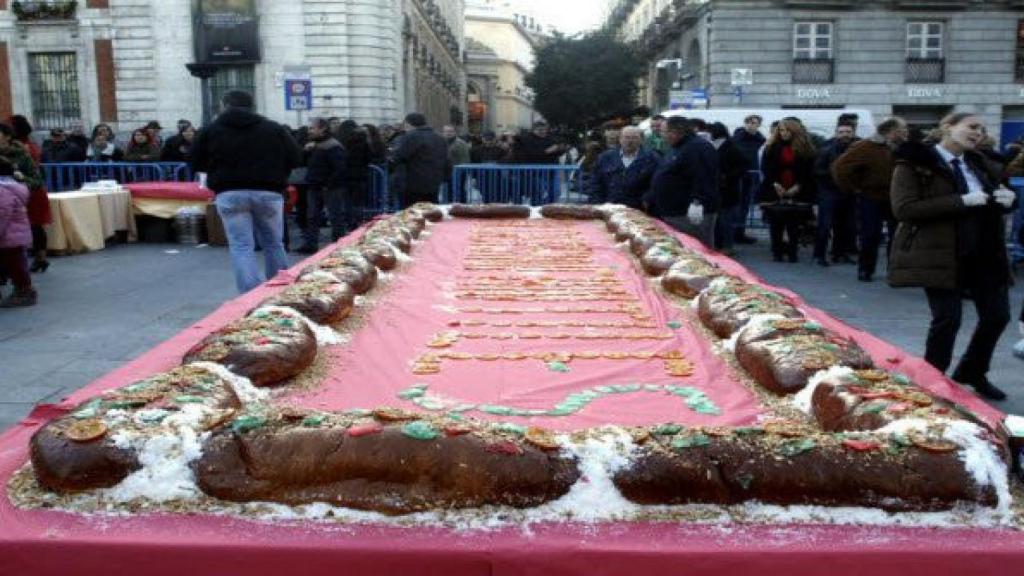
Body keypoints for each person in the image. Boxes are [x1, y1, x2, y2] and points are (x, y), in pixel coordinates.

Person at [889, 112, 1017, 400]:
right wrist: (960, 201)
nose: (978, 133)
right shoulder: (915, 163)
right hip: (942, 253)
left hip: (985, 253)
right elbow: (905, 209)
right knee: (948, 320)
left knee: (997, 316)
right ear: (948, 127)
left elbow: (996, 197)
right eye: (972, 126)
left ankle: (973, 371)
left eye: (982, 129)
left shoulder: (981, 163)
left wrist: (1010, 200)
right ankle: (930, 382)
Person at [191, 90, 301, 293]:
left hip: (229, 191)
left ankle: (250, 293)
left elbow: (195, 161)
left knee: (241, 245)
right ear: (252, 105)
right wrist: (277, 172)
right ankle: (280, 290)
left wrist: (216, 170)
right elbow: (295, 157)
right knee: (274, 242)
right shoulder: (273, 128)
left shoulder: (211, 130)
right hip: (269, 190)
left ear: (224, 105)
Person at [833, 117, 909, 281]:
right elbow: (840, 168)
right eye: (902, 129)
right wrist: (854, 189)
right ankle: (865, 269)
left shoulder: (904, 148)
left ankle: (894, 271)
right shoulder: (865, 147)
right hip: (871, 197)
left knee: (897, 235)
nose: (905, 132)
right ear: (891, 131)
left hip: (897, 197)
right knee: (870, 234)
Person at [645, 116, 720, 247]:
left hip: (689, 212)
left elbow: (704, 176)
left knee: (696, 249)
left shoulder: (698, 147)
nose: (661, 135)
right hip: (675, 211)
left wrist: (697, 202)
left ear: (675, 132)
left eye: (663, 131)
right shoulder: (679, 147)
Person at [758, 118, 817, 263]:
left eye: (787, 130)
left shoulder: (805, 148)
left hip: (798, 188)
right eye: (781, 130)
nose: (784, 133)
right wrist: (775, 184)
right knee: (776, 223)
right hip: (774, 188)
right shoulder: (771, 146)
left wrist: (798, 186)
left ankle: (792, 252)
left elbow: (809, 170)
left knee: (793, 224)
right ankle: (777, 251)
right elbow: (766, 168)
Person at [7, 116, 51, 273]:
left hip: (29, 189)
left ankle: (39, 257)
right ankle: (40, 257)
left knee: (34, 225)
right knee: (35, 225)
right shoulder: (29, 145)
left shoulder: (21, 148)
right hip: (31, 189)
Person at [297, 118, 347, 253]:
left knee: (335, 216)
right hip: (314, 186)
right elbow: (302, 162)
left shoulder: (333, 145)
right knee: (312, 216)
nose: (310, 131)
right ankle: (311, 244)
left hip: (330, 187)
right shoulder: (314, 145)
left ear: (322, 129)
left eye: (312, 128)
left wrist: (329, 184)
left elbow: (340, 168)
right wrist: (305, 151)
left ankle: (338, 244)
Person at [812, 122, 857, 267]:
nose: (845, 135)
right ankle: (819, 255)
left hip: (848, 192)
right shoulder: (827, 150)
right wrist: (835, 175)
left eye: (848, 132)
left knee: (845, 225)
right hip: (829, 192)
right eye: (842, 132)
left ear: (853, 133)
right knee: (825, 225)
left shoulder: (857, 150)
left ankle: (839, 253)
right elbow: (817, 171)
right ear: (836, 133)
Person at [586, 126, 659, 209]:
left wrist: (647, 199)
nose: (630, 141)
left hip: (638, 208)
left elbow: (657, 183)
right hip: (609, 206)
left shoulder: (652, 158)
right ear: (620, 139)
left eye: (634, 138)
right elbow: (595, 181)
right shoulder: (605, 157)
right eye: (626, 137)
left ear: (641, 140)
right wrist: (596, 202)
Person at [391, 112, 448, 208]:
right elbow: (447, 159)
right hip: (434, 183)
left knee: (411, 212)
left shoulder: (410, 136)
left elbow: (399, 156)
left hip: (412, 184)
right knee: (430, 211)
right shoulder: (440, 138)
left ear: (408, 124)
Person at [0, 157, 35, 307]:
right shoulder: (13, 187)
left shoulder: (3, 191)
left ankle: (25, 292)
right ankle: (23, 290)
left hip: (8, 235)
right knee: (16, 265)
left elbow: (2, 214)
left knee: (16, 267)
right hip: (15, 235)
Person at [708, 122, 748, 254]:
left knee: (726, 220)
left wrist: (727, 176)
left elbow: (742, 167)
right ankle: (719, 244)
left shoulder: (731, 148)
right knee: (719, 220)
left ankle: (727, 246)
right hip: (720, 188)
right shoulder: (718, 146)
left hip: (728, 189)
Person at [731, 114, 765, 244]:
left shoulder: (760, 139)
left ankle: (739, 232)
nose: (751, 125)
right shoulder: (737, 138)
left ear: (759, 125)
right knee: (737, 205)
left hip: (751, 176)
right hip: (739, 175)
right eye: (749, 122)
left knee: (745, 206)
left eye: (754, 123)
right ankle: (734, 232)